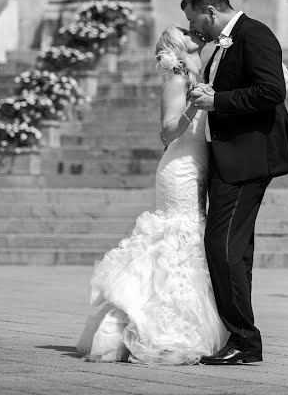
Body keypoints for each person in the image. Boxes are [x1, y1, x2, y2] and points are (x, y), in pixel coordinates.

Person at [75, 26, 228, 364]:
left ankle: (188, 321)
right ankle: (156, 328)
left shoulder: (201, 73)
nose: (195, 32)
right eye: (186, 32)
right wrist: (193, 105)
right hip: (178, 169)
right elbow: (167, 130)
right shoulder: (176, 82)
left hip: (199, 164)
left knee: (192, 241)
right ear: (177, 46)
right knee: (176, 239)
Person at [182, 0, 288, 365]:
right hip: (231, 157)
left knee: (222, 248)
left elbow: (271, 91)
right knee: (232, 250)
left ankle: (244, 339)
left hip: (248, 159)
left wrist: (216, 100)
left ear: (209, 11)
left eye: (194, 20)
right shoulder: (224, 43)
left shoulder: (254, 34)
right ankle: (239, 337)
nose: (194, 29)